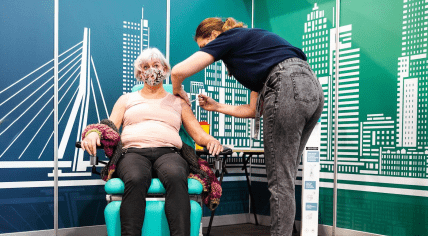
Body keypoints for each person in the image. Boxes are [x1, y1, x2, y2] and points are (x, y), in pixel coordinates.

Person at [170, 17, 324, 236]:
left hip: (287, 86)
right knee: (285, 179)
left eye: (205, 46)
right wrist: (217, 106)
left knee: (280, 181)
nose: (208, 53)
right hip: (312, 89)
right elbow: (253, 110)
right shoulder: (253, 47)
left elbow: (177, 72)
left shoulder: (228, 37)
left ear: (214, 36)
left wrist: (177, 92)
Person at [80, 48, 223, 236]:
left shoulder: (178, 102)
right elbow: (109, 128)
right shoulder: (126, 100)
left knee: (175, 176)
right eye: (145, 67)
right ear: (140, 73)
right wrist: (93, 133)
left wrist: (212, 140)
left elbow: (198, 135)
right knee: (136, 178)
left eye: (156, 65)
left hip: (169, 153)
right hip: (133, 153)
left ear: (165, 70)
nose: (151, 70)